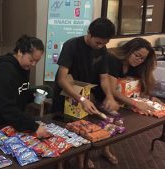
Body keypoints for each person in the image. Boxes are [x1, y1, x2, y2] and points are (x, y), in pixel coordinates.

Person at [51, 17, 119, 169]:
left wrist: (109, 96)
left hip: (86, 96)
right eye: (98, 42)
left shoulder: (102, 49)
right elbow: (62, 79)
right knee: (63, 132)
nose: (100, 46)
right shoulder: (72, 45)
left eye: (104, 43)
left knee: (85, 129)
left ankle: (82, 160)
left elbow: (103, 77)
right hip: (66, 96)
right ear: (89, 33)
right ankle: (59, 163)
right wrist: (81, 99)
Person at [0, 35, 51, 138]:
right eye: (31, 60)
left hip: (7, 123)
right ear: (20, 52)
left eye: (37, 61)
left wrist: (33, 96)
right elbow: (8, 107)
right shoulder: (5, 70)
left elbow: (20, 92)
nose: (33, 64)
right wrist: (34, 126)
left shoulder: (24, 67)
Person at [108, 37, 163, 115]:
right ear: (129, 51)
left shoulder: (137, 66)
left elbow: (135, 88)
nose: (139, 60)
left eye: (143, 58)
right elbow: (112, 90)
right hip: (106, 100)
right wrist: (136, 104)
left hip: (123, 103)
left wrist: (149, 99)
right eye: (137, 55)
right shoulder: (113, 60)